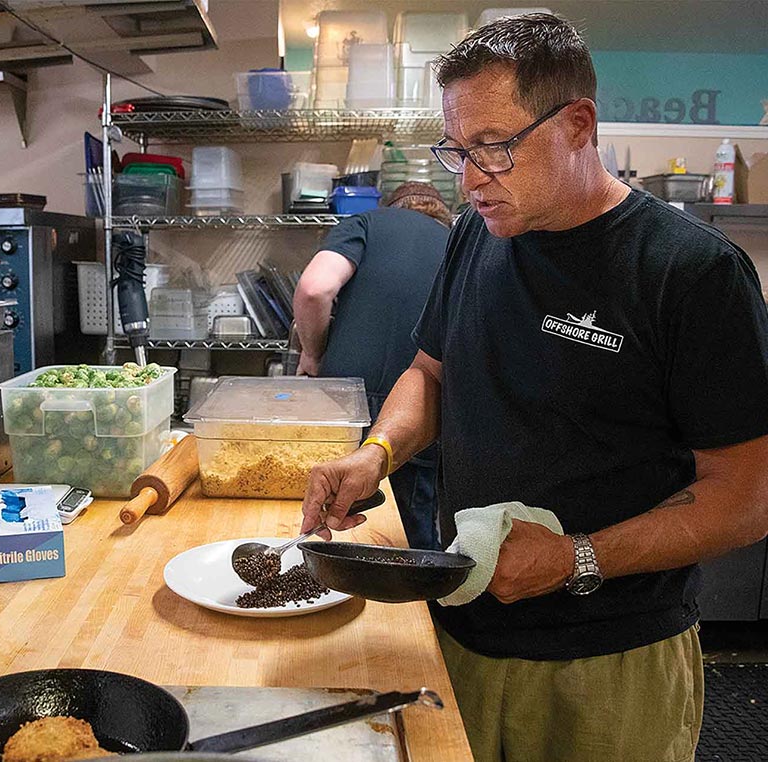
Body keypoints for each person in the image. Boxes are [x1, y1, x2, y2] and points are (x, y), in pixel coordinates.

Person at [300, 13, 768, 762]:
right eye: (456, 150)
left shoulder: (691, 272)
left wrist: (576, 557)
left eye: (494, 146)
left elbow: (746, 499)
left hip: (610, 664)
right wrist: (377, 455)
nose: (471, 177)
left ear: (578, 123)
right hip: (463, 628)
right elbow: (431, 374)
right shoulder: (474, 235)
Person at [293, 182, 450, 549]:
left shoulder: (365, 222)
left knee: (329, 507)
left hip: (344, 399)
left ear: (391, 206)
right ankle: (408, 604)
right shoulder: (459, 242)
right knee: (408, 533)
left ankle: (322, 583)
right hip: (422, 408)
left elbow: (315, 288)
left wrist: (313, 354)